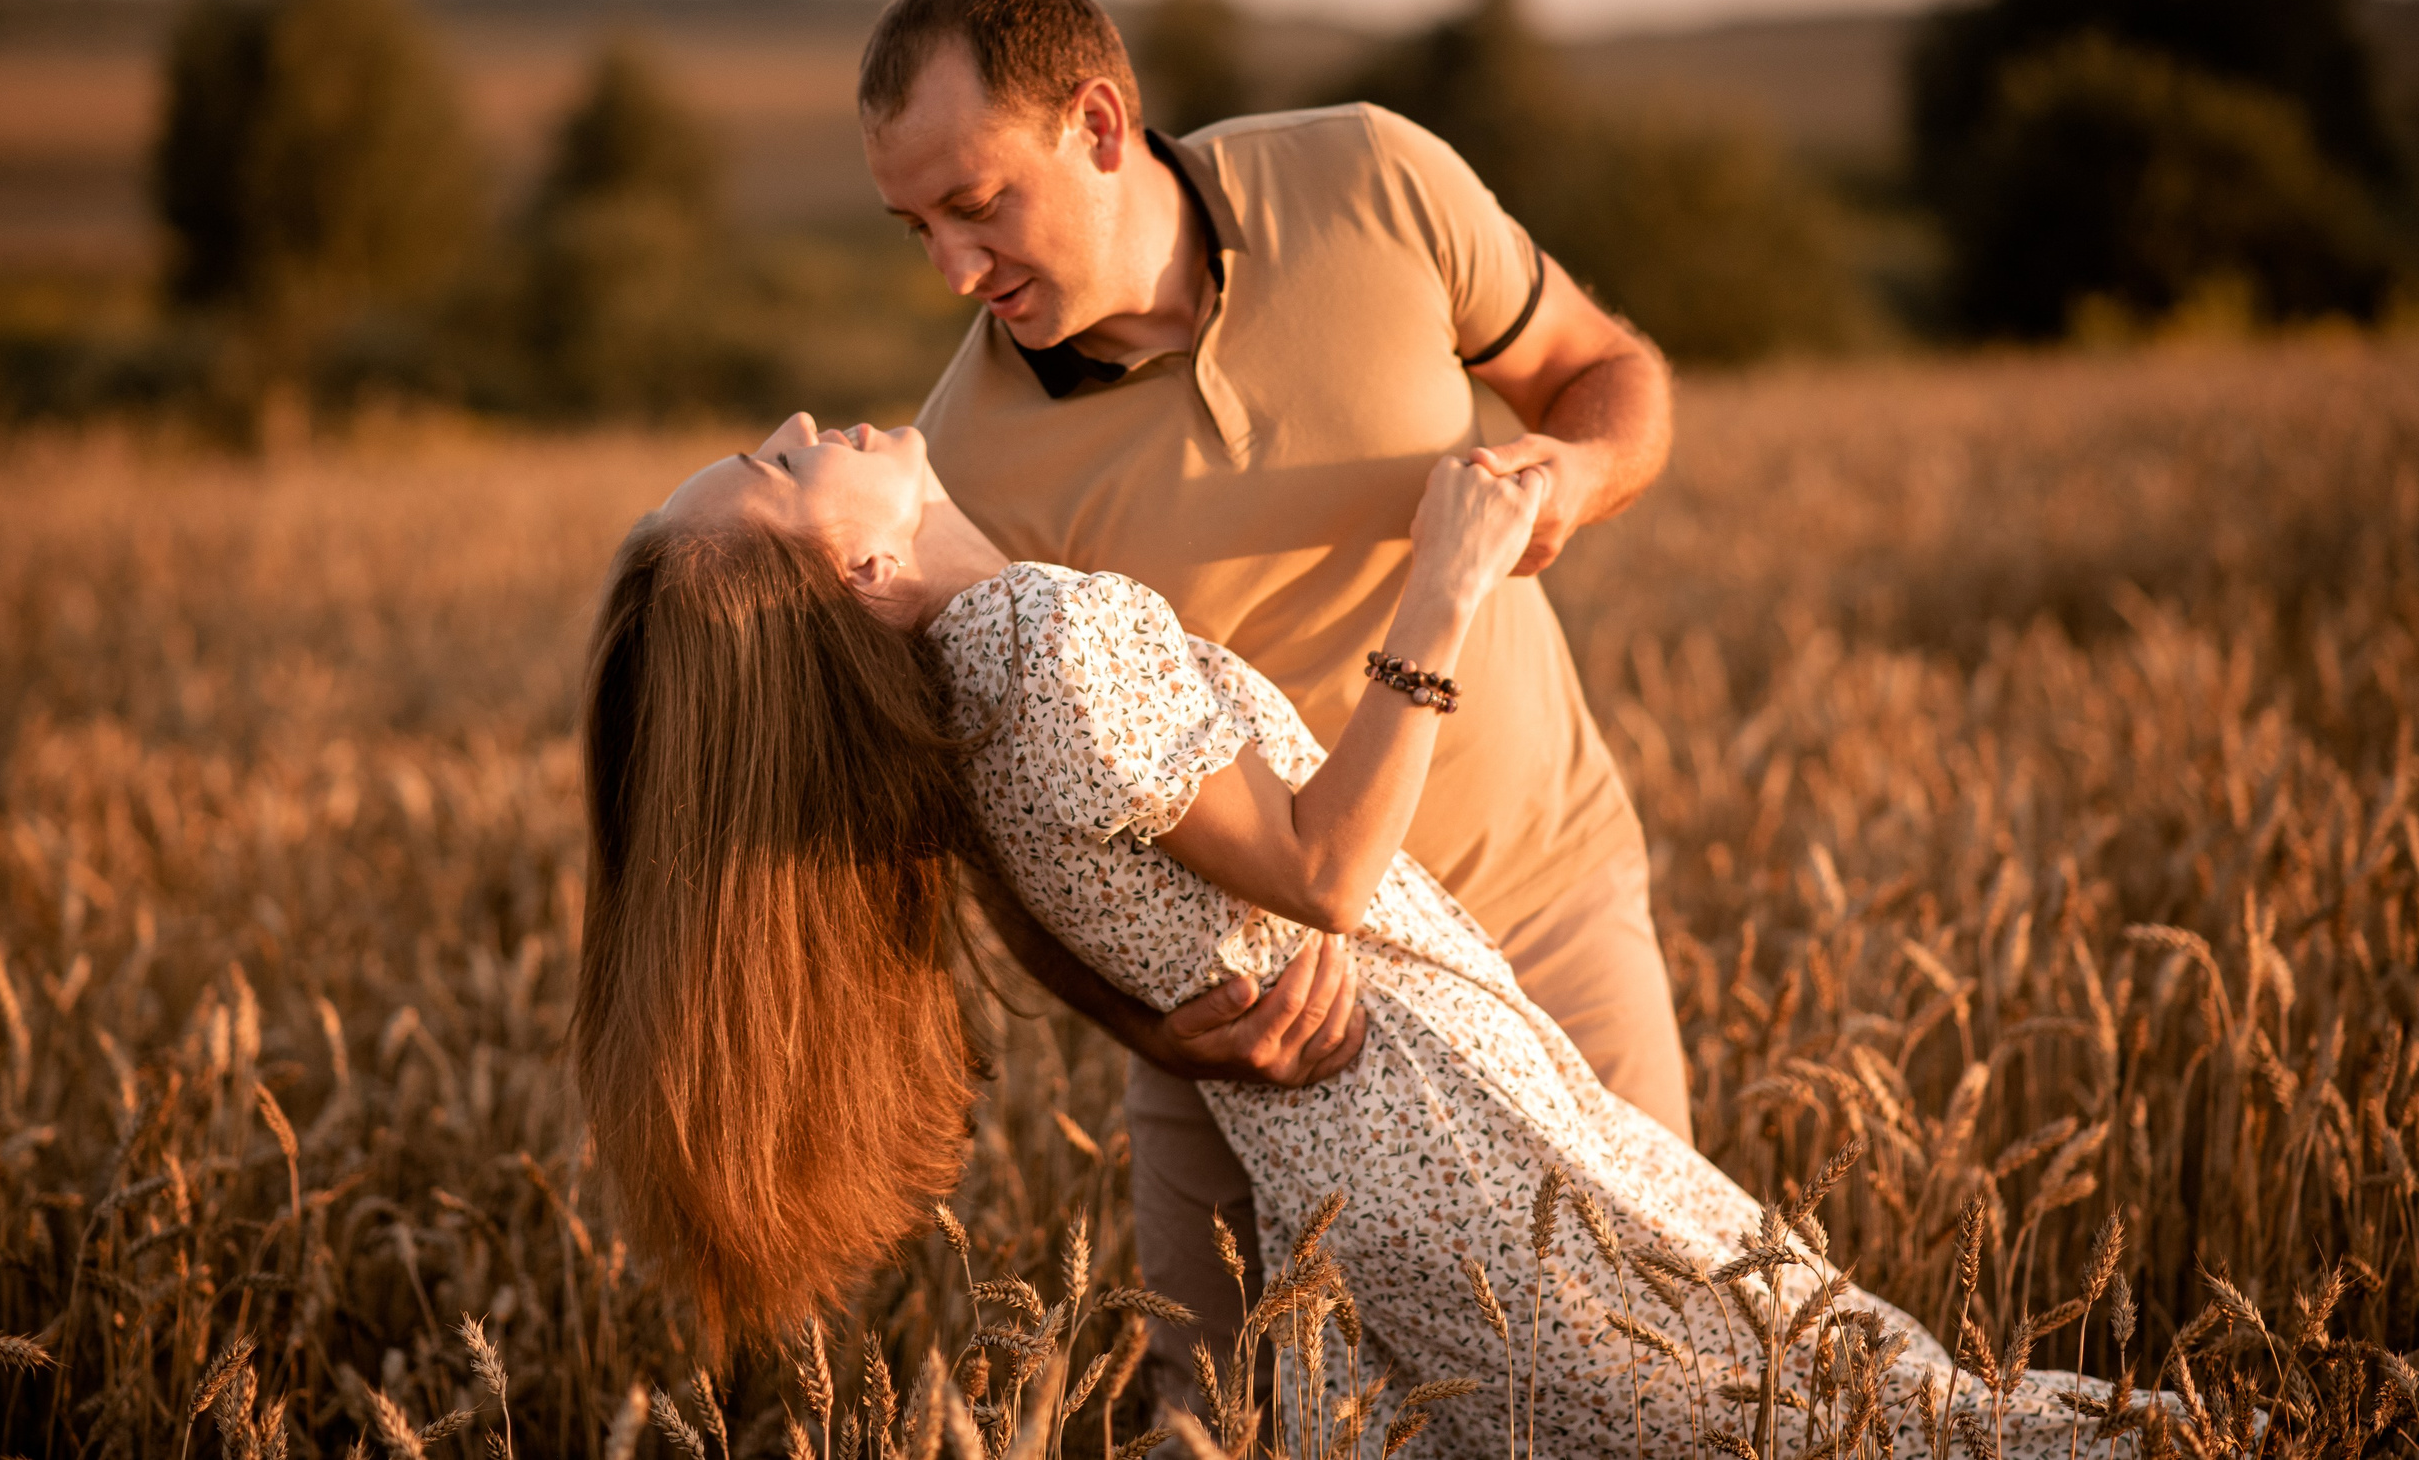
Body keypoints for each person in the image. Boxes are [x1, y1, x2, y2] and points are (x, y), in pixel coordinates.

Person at [570, 414, 2123, 1459]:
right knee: (1891, 1417)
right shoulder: (1041, 638)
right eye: (775, 472)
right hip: (1460, 1133)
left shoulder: (961, 712)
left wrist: (1167, 1025)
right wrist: (1443, 583)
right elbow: (1321, 869)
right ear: (857, 572)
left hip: (1355, 1181)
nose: (793, 426)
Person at [858, 0, 1689, 1388]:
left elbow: (1602, 368)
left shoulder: (1373, 176)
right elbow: (1000, 844)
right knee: (1223, 1411)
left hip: (1547, 908)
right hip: (1266, 1026)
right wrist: (1157, 1026)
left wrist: (1579, 471)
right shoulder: (966, 478)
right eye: (916, 225)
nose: (952, 268)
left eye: (978, 203)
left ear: (1101, 124)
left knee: (1662, 1375)